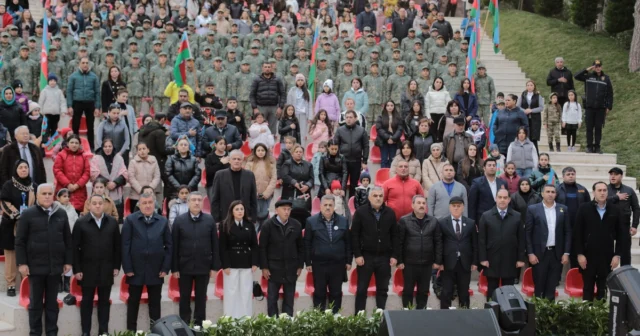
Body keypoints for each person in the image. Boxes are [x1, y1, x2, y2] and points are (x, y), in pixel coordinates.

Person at [16, 184, 72, 336]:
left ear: (53, 195)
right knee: (35, 304)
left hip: (55, 268)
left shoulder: (61, 213)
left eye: (49, 193)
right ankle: (35, 333)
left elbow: (68, 240)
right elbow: (20, 241)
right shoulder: (28, 214)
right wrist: (22, 263)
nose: (47, 196)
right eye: (44, 193)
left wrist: (68, 261)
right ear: (38, 196)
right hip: (35, 267)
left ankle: (52, 333)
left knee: (52, 304)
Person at [121, 192, 172, 331]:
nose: (148, 205)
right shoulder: (130, 220)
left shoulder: (162, 221)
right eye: (144, 203)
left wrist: (165, 268)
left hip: (156, 270)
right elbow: (125, 245)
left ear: (154, 203)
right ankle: (131, 333)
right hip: (135, 269)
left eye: (150, 202)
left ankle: (155, 332)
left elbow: (169, 246)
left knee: (155, 304)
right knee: (133, 303)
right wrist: (128, 268)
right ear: (139, 205)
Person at [72, 194, 121, 336]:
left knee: (104, 302)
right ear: (89, 205)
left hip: (106, 269)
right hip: (87, 270)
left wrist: (116, 266)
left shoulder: (112, 222)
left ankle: (103, 331)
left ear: (105, 205)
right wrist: (77, 269)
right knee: (87, 302)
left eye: (100, 203)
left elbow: (117, 247)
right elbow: (74, 248)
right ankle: (86, 332)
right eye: (95, 203)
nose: (98, 205)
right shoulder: (81, 222)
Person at [171, 192, 219, 327]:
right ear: (188, 202)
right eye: (193, 200)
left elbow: (215, 245)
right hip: (184, 267)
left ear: (203, 203)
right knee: (184, 298)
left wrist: (215, 267)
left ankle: (199, 327)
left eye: (199, 200)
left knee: (201, 299)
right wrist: (174, 268)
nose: (196, 202)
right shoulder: (179, 221)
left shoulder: (209, 220)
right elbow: (174, 246)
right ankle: (184, 326)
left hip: (203, 267)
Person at [574, 181, 628, 301]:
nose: (602, 193)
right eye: (599, 190)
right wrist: (580, 254)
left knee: (603, 289)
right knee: (587, 288)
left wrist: (617, 255)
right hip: (588, 255)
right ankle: (587, 315)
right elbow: (577, 233)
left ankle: (600, 317)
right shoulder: (584, 208)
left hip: (607, 256)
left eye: (604, 190)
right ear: (594, 192)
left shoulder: (615, 209)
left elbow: (621, 235)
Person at [351, 187, 398, 312]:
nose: (378, 198)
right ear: (369, 197)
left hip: (384, 257)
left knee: (382, 289)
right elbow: (354, 235)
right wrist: (357, 254)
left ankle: (380, 317)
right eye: (375, 195)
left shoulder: (390, 213)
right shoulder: (361, 212)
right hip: (366, 257)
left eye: (380, 196)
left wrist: (394, 255)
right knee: (361, 289)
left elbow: (395, 236)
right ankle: (359, 319)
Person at [304, 195, 352, 313]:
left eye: (330, 205)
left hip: (338, 264)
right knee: (319, 292)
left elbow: (348, 243)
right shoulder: (311, 221)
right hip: (319, 264)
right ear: (320, 206)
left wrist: (349, 261)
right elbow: (307, 243)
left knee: (336, 293)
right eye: (325, 205)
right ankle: (319, 320)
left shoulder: (343, 221)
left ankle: (335, 318)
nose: (328, 207)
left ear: (334, 206)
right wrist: (308, 262)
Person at [478, 189, 526, 300]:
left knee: (508, 292)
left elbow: (521, 239)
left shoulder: (517, 216)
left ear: (509, 199)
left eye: (505, 198)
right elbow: (481, 240)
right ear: (495, 198)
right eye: (500, 197)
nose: (502, 200)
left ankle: (506, 316)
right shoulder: (486, 216)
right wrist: (483, 259)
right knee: (492, 291)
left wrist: (520, 259)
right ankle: (491, 314)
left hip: (510, 259)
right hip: (491, 259)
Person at [525, 185, 571, 301]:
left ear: (556, 194)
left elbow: (567, 232)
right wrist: (530, 253)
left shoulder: (563, 209)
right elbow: (528, 233)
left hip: (556, 254)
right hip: (539, 254)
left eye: (553, 192)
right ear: (542, 194)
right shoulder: (533, 209)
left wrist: (566, 252)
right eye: (548, 192)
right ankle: (537, 314)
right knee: (539, 285)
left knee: (552, 286)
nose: (550, 194)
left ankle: (549, 315)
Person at [396, 194, 442, 309]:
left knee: (424, 291)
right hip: (409, 263)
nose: (421, 205)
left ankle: (421, 314)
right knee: (408, 291)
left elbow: (438, 242)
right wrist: (399, 261)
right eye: (419, 203)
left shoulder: (433, 221)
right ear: (412, 205)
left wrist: (437, 261)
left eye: (423, 203)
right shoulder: (404, 221)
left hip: (427, 264)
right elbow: (399, 242)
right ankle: (407, 314)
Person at [259, 199, 304, 316]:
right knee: (272, 298)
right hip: (274, 268)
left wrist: (300, 265)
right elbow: (262, 248)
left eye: (289, 209)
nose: (287, 212)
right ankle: (273, 324)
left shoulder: (296, 225)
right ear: (276, 210)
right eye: (284, 209)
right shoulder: (267, 225)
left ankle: (287, 324)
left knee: (289, 299)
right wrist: (264, 267)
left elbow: (301, 247)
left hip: (291, 268)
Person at [0, 160, 35, 297]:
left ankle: (25, 282)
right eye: (20, 167)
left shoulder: (33, 186)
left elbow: (38, 202)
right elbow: (3, 201)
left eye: (26, 167)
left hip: (29, 225)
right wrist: (17, 215)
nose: (23, 169)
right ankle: (11, 284)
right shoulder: (8, 185)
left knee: (27, 253)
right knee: (11, 255)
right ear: (16, 170)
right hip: (10, 224)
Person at [219, 201, 259, 317]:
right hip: (231, 264)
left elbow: (254, 245)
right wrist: (225, 265)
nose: (240, 211)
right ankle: (230, 320)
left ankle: (246, 320)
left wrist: (255, 262)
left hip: (247, 263)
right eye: (237, 209)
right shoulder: (225, 225)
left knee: (246, 293)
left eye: (242, 209)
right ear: (232, 211)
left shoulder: (249, 225)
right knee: (231, 293)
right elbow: (222, 247)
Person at [438, 196, 477, 309]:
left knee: (464, 292)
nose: (456, 208)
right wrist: (439, 262)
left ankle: (464, 317)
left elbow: (474, 244)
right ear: (449, 207)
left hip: (464, 263)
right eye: (454, 206)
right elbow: (439, 243)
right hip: (448, 263)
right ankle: (444, 317)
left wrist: (474, 261)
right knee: (446, 292)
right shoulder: (442, 223)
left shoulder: (470, 223)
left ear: (463, 208)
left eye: (458, 206)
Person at [574, 60, 613, 154]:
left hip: (600, 108)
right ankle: (589, 147)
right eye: (596, 66)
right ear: (593, 67)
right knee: (589, 128)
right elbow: (576, 76)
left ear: (601, 67)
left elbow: (610, 94)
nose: (598, 67)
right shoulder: (588, 76)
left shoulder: (606, 78)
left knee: (598, 128)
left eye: (599, 66)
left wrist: (608, 106)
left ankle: (597, 147)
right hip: (589, 107)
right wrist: (587, 69)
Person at [211, 150, 258, 223]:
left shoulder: (250, 175)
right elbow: (215, 199)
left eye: (239, 159)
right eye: (234, 159)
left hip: (245, 217)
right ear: (229, 160)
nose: (236, 161)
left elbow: (253, 198)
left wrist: (253, 218)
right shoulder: (220, 175)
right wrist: (216, 219)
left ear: (242, 161)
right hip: (225, 217)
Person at [67, 57, 101, 151]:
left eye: (87, 63)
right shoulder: (73, 76)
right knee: (75, 126)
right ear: (79, 64)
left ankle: (91, 147)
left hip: (90, 103)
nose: (85, 64)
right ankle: (75, 146)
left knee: (90, 126)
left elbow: (97, 92)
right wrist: (69, 106)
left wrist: (97, 107)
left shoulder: (94, 77)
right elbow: (69, 91)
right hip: (77, 102)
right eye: (83, 63)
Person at [608, 167, 640, 266]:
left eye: (616, 174)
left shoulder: (629, 190)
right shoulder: (604, 189)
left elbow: (636, 208)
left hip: (624, 225)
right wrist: (616, 197)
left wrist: (634, 225)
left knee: (625, 253)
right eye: (611, 174)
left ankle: (626, 276)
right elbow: (597, 202)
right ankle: (606, 277)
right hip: (608, 225)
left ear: (621, 176)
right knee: (607, 252)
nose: (613, 176)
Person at [334, 110, 369, 197]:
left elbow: (366, 146)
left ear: (355, 118)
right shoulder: (339, 130)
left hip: (356, 161)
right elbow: (335, 145)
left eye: (351, 117)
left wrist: (364, 161)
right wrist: (336, 158)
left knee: (354, 184)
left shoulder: (361, 131)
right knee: (342, 184)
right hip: (343, 161)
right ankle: (342, 203)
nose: (348, 119)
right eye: (347, 117)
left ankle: (352, 202)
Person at [53, 134, 91, 214]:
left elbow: (87, 172)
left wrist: (77, 185)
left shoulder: (84, 156)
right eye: (72, 142)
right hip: (63, 189)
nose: (74, 145)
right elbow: (57, 170)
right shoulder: (61, 155)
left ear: (80, 144)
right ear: (67, 143)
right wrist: (68, 184)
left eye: (76, 143)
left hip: (79, 191)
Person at [90, 139, 128, 218]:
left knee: (116, 218)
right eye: (105, 146)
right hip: (101, 191)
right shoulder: (96, 158)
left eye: (110, 146)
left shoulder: (119, 158)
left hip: (116, 191)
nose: (107, 148)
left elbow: (124, 173)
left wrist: (115, 183)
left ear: (113, 147)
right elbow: (94, 173)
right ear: (102, 148)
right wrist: (107, 183)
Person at [244, 144, 277, 230]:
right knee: (255, 216)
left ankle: (263, 236)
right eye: (258, 150)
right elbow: (246, 180)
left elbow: (273, 179)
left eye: (262, 150)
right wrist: (254, 193)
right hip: (254, 195)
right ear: (255, 152)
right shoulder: (249, 164)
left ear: (266, 152)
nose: (260, 152)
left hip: (266, 196)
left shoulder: (271, 164)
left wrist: (267, 193)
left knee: (264, 215)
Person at [250, 62, 286, 135]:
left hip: (274, 107)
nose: (267, 69)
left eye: (269, 67)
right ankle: (260, 146)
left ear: (272, 68)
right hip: (261, 107)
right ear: (262, 68)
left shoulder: (277, 79)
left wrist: (280, 107)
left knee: (272, 129)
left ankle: (271, 145)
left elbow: (282, 94)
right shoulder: (257, 79)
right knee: (260, 127)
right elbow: (252, 95)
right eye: (265, 67)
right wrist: (255, 108)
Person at [128, 142, 162, 213]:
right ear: (137, 151)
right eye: (139, 149)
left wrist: (150, 188)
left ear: (148, 150)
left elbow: (157, 176)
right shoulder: (133, 162)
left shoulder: (153, 161)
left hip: (150, 194)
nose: (142, 151)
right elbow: (131, 178)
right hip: (136, 196)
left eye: (144, 148)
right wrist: (142, 190)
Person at [517, 81, 544, 153]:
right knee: (525, 135)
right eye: (528, 85)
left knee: (534, 137)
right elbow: (518, 106)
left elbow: (541, 107)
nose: (529, 87)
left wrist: (531, 110)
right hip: (524, 118)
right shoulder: (523, 95)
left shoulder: (538, 96)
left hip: (535, 119)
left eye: (531, 85)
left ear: (534, 86)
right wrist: (525, 110)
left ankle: (535, 153)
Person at [286, 74, 314, 144]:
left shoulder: (308, 92)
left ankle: (301, 148)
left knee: (302, 133)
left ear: (304, 82)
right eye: (298, 80)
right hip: (294, 115)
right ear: (296, 81)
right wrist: (288, 114)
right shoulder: (292, 90)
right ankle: (293, 149)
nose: (300, 82)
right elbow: (289, 103)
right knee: (293, 131)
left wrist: (310, 117)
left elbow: (310, 105)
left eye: (302, 80)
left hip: (304, 115)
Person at [375, 101, 403, 169]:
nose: (390, 107)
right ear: (385, 107)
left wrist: (393, 138)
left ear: (394, 106)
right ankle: (383, 177)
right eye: (388, 105)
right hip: (384, 141)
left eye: (391, 105)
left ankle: (391, 176)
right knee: (384, 160)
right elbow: (379, 129)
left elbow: (400, 129)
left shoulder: (398, 117)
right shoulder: (380, 117)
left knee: (392, 160)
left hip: (394, 141)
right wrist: (388, 137)